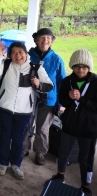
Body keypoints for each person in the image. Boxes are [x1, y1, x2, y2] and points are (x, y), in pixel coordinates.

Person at [0, 42, 53, 180]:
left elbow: (49, 85)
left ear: (26, 53)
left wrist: (39, 84)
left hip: (24, 111)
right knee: (5, 136)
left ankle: (16, 164)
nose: (17, 55)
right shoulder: (6, 65)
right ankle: (2, 162)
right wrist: (0, 55)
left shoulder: (36, 68)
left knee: (19, 139)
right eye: (13, 52)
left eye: (20, 52)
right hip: (4, 108)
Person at [49, 49, 96, 196]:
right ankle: (60, 174)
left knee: (85, 158)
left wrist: (81, 99)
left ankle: (85, 185)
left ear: (89, 67)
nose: (80, 69)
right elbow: (62, 100)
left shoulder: (95, 82)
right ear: (72, 66)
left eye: (84, 66)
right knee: (63, 152)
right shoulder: (67, 81)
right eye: (77, 66)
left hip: (89, 128)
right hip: (69, 125)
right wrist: (69, 98)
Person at [24, 28, 66, 165]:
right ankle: (23, 148)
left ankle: (40, 151)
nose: (45, 40)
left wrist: (60, 103)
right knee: (26, 124)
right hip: (28, 97)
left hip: (49, 99)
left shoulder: (57, 60)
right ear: (36, 40)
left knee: (43, 128)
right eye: (42, 37)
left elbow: (62, 83)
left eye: (48, 38)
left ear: (52, 41)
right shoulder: (27, 55)